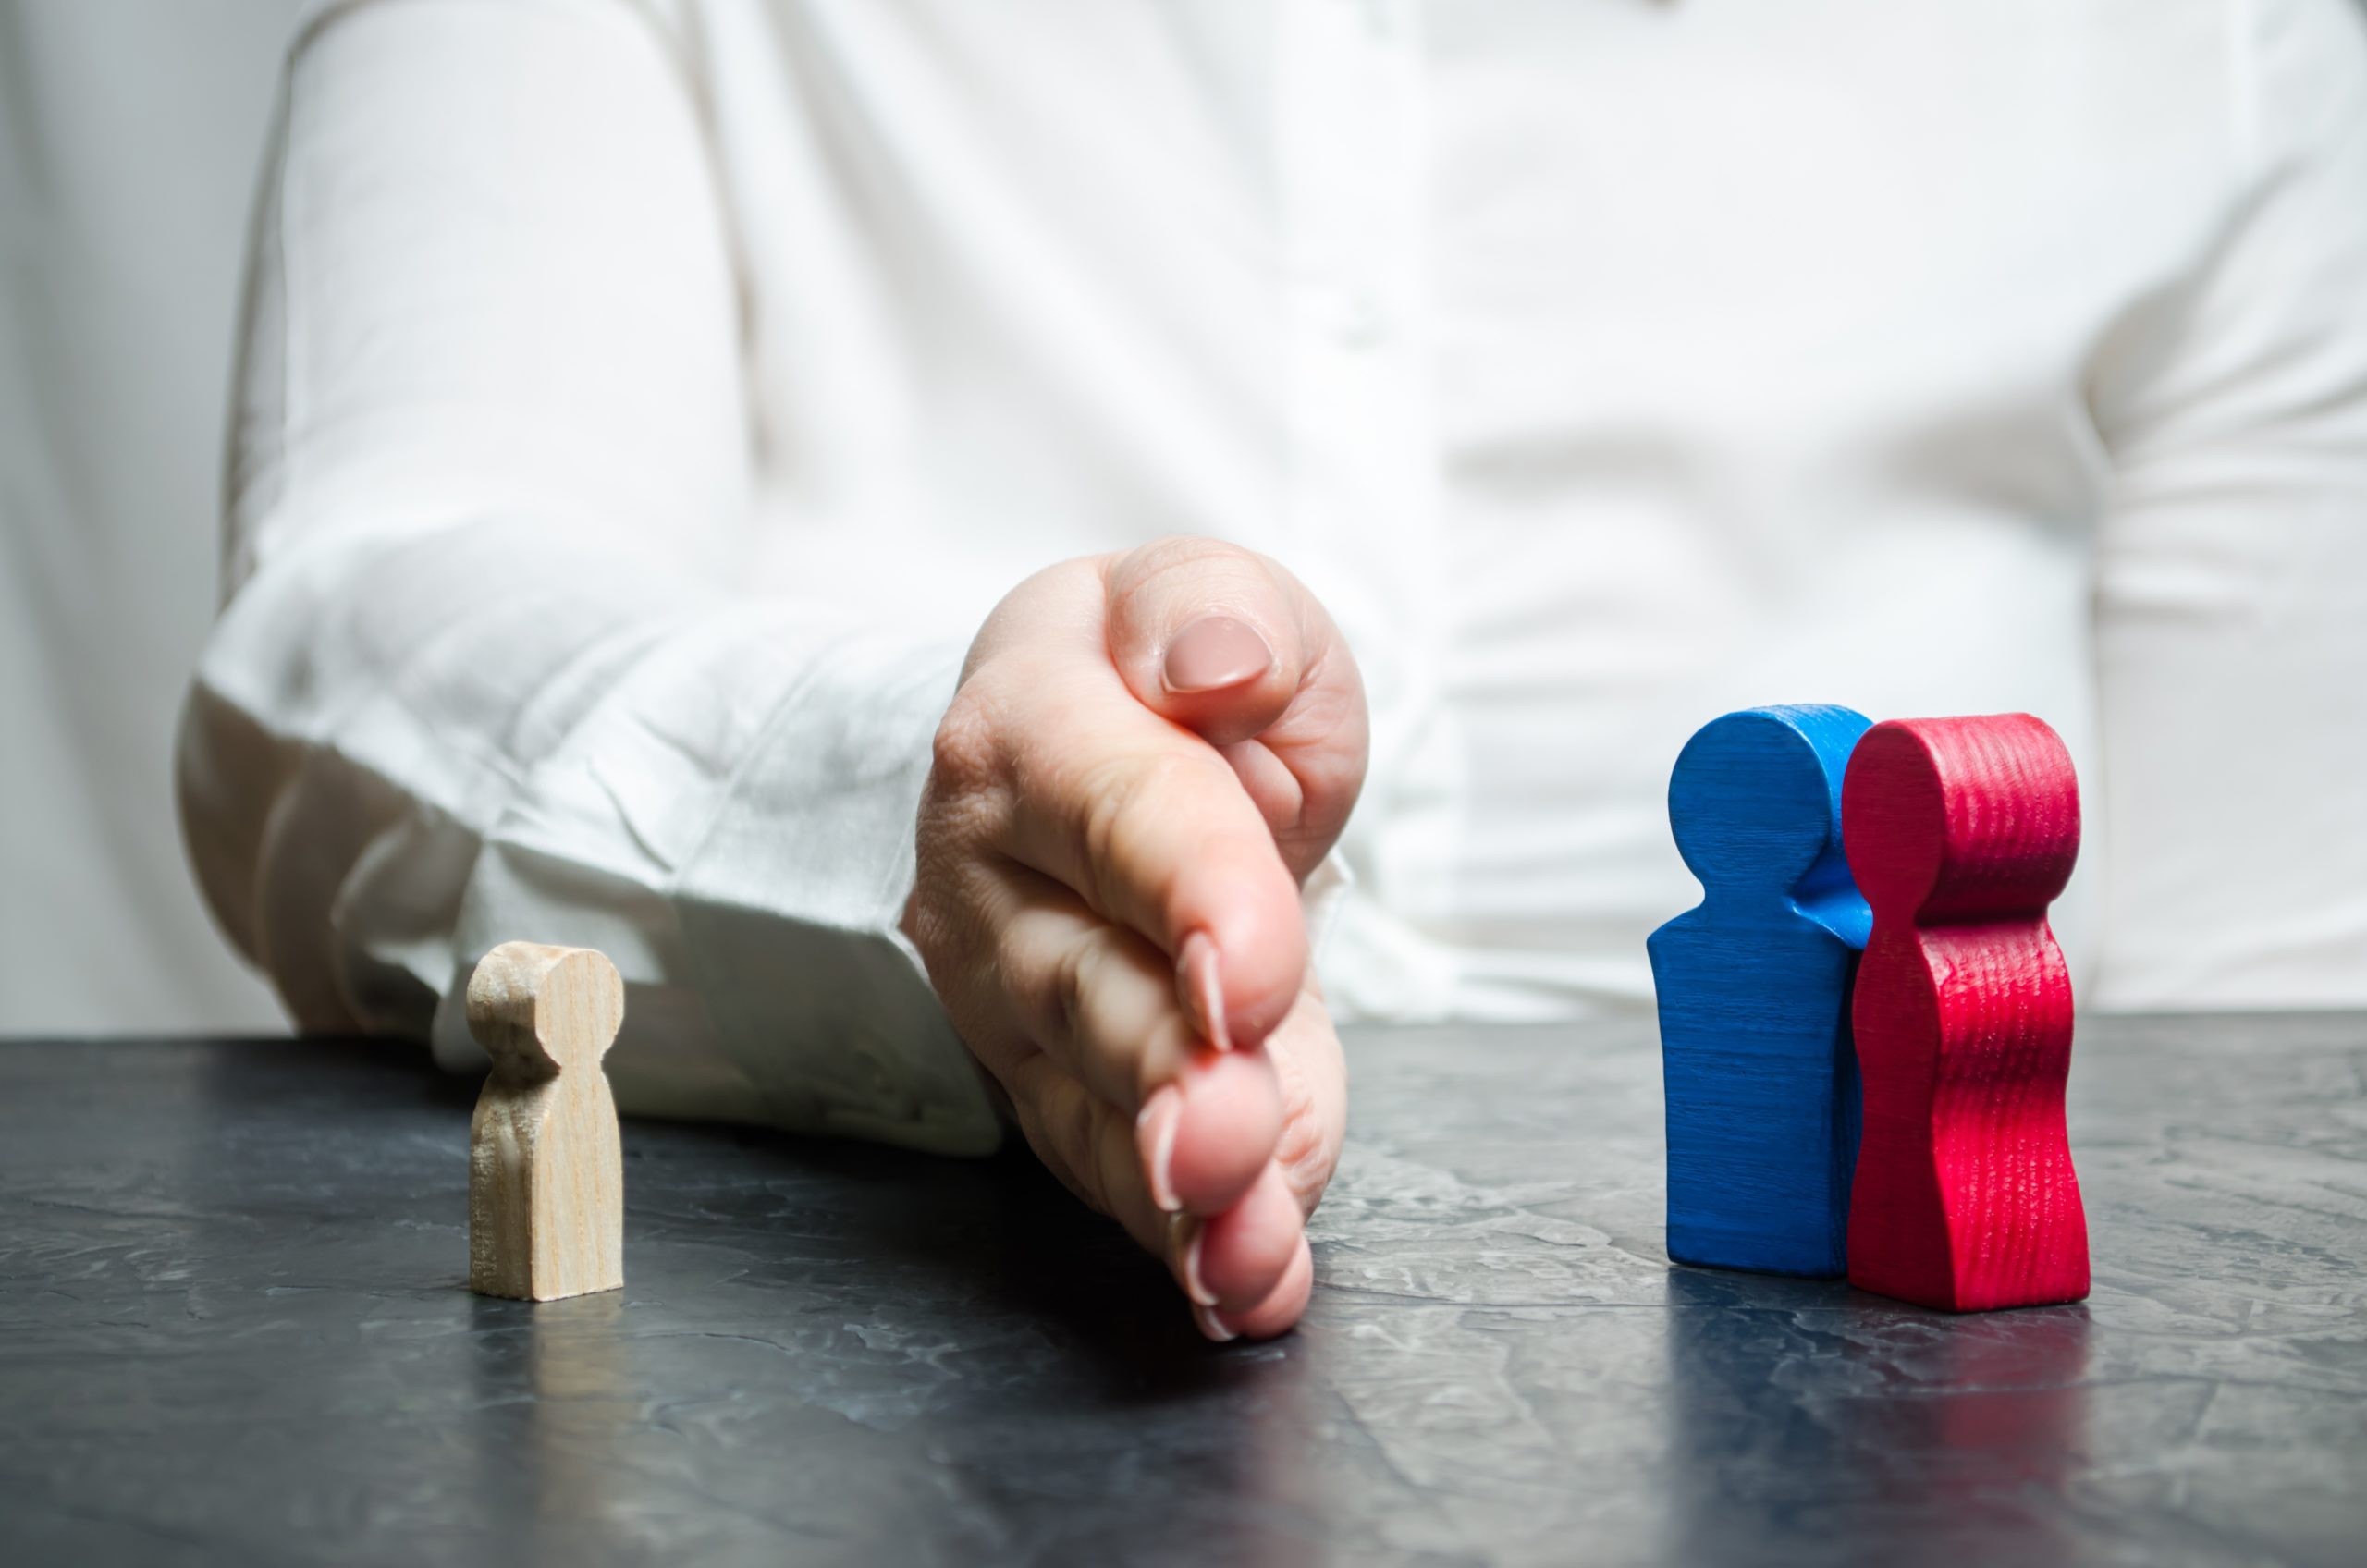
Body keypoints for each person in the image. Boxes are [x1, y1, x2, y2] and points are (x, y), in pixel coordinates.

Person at [178, 0, 2367, 1341]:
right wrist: (908, 808)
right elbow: (367, 620)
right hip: (859, 1331)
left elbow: (2281, 1064)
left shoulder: (2227, 41)